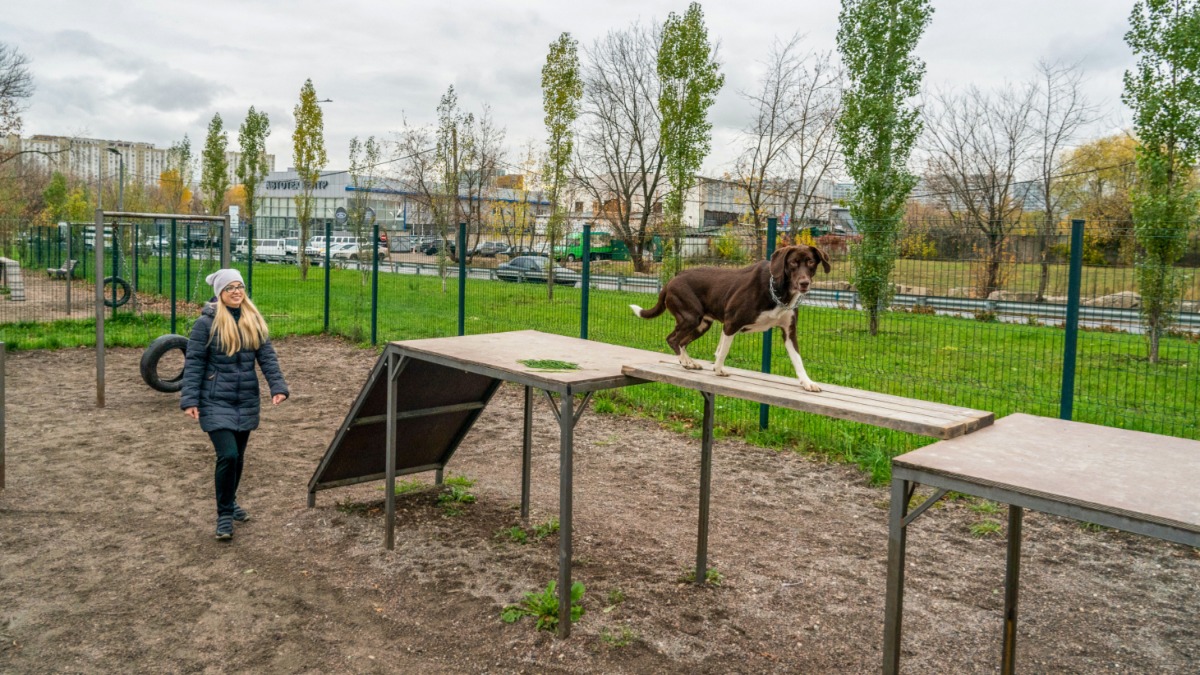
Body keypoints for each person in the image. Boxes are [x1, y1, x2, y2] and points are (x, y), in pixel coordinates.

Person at [180, 269, 289, 541]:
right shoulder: (205, 324)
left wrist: (278, 386)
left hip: (245, 398)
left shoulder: (253, 319)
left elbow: (267, 357)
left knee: (238, 457)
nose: (236, 292)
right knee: (228, 455)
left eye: (239, 286)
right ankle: (225, 515)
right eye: (230, 288)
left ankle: (230, 501)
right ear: (220, 293)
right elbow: (194, 363)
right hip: (215, 399)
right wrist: (190, 399)